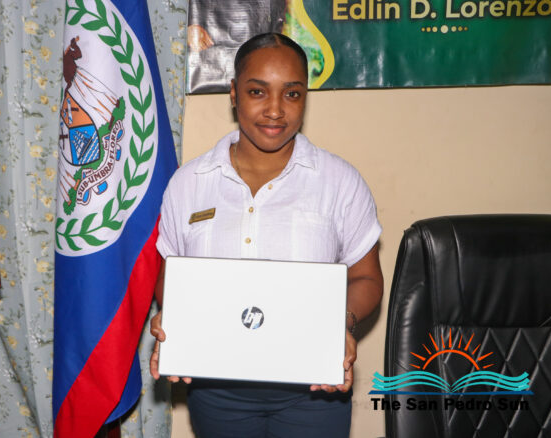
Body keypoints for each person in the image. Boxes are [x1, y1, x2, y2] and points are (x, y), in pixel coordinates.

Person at [150, 33, 383, 438]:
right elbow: (170, 274)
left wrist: (341, 325)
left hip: (314, 391)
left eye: (292, 94)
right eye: (257, 91)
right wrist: (175, 322)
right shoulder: (189, 183)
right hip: (216, 389)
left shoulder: (340, 182)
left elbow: (366, 277)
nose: (275, 110)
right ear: (234, 93)